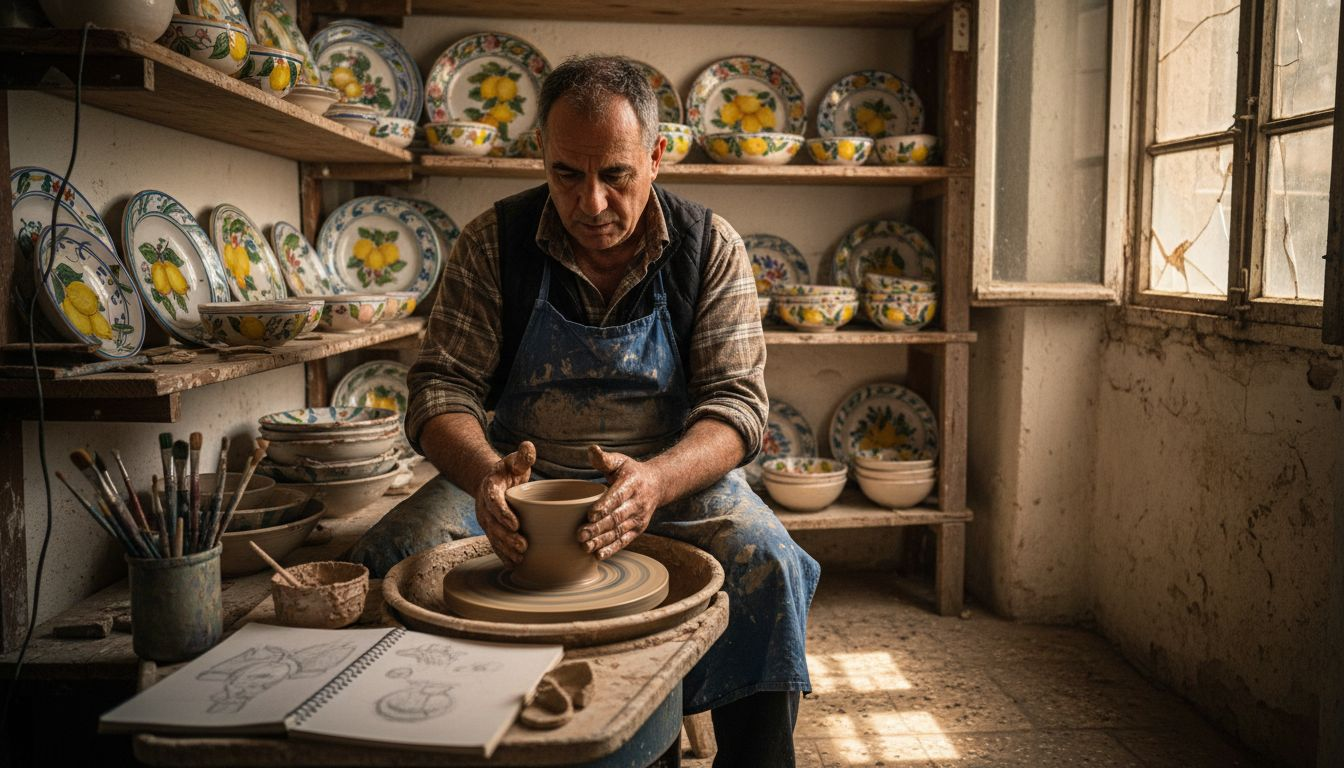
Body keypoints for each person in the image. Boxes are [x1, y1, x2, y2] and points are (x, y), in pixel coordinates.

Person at [349, 54, 819, 766]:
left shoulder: (708, 247)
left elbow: (736, 406)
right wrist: (484, 474)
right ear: (542, 154)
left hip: (669, 478)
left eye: (615, 175)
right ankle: (440, 740)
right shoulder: (493, 242)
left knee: (769, 561)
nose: (590, 202)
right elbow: (441, 388)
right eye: (567, 174)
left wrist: (656, 481)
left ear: (657, 157)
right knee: (389, 560)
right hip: (515, 476)